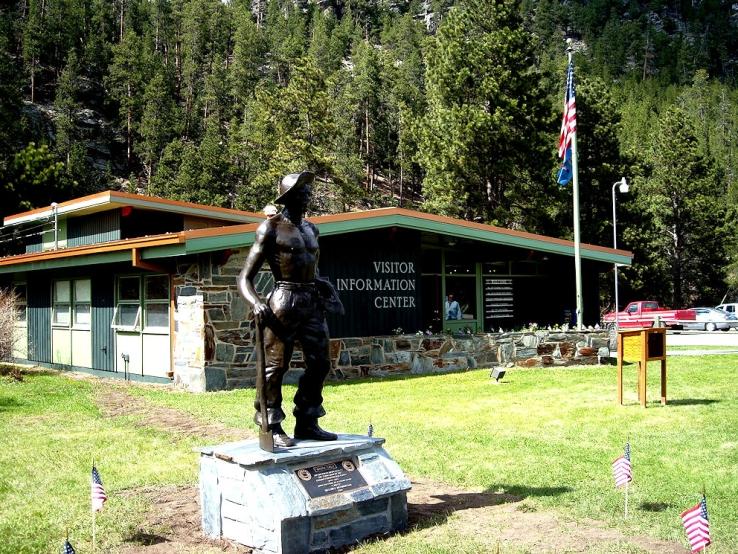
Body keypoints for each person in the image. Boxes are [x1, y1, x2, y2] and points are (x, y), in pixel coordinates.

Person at [237, 171, 342, 448]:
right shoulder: (270, 228)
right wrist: (256, 302)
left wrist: (322, 284)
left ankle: (307, 421)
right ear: (290, 196)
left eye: (308, 190)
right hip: (283, 301)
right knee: (276, 366)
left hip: (311, 302)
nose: (309, 195)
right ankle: (271, 422)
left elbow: (311, 268)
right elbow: (244, 277)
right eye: (304, 191)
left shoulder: (311, 229)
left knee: (320, 363)